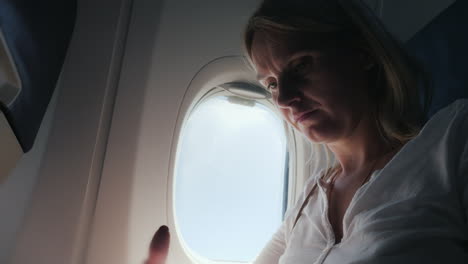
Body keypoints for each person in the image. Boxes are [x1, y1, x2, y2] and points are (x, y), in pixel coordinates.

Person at [147, 0, 468, 263]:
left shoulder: (450, 140)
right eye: (271, 84)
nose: (284, 98)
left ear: (362, 53)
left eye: (301, 66)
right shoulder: (307, 202)